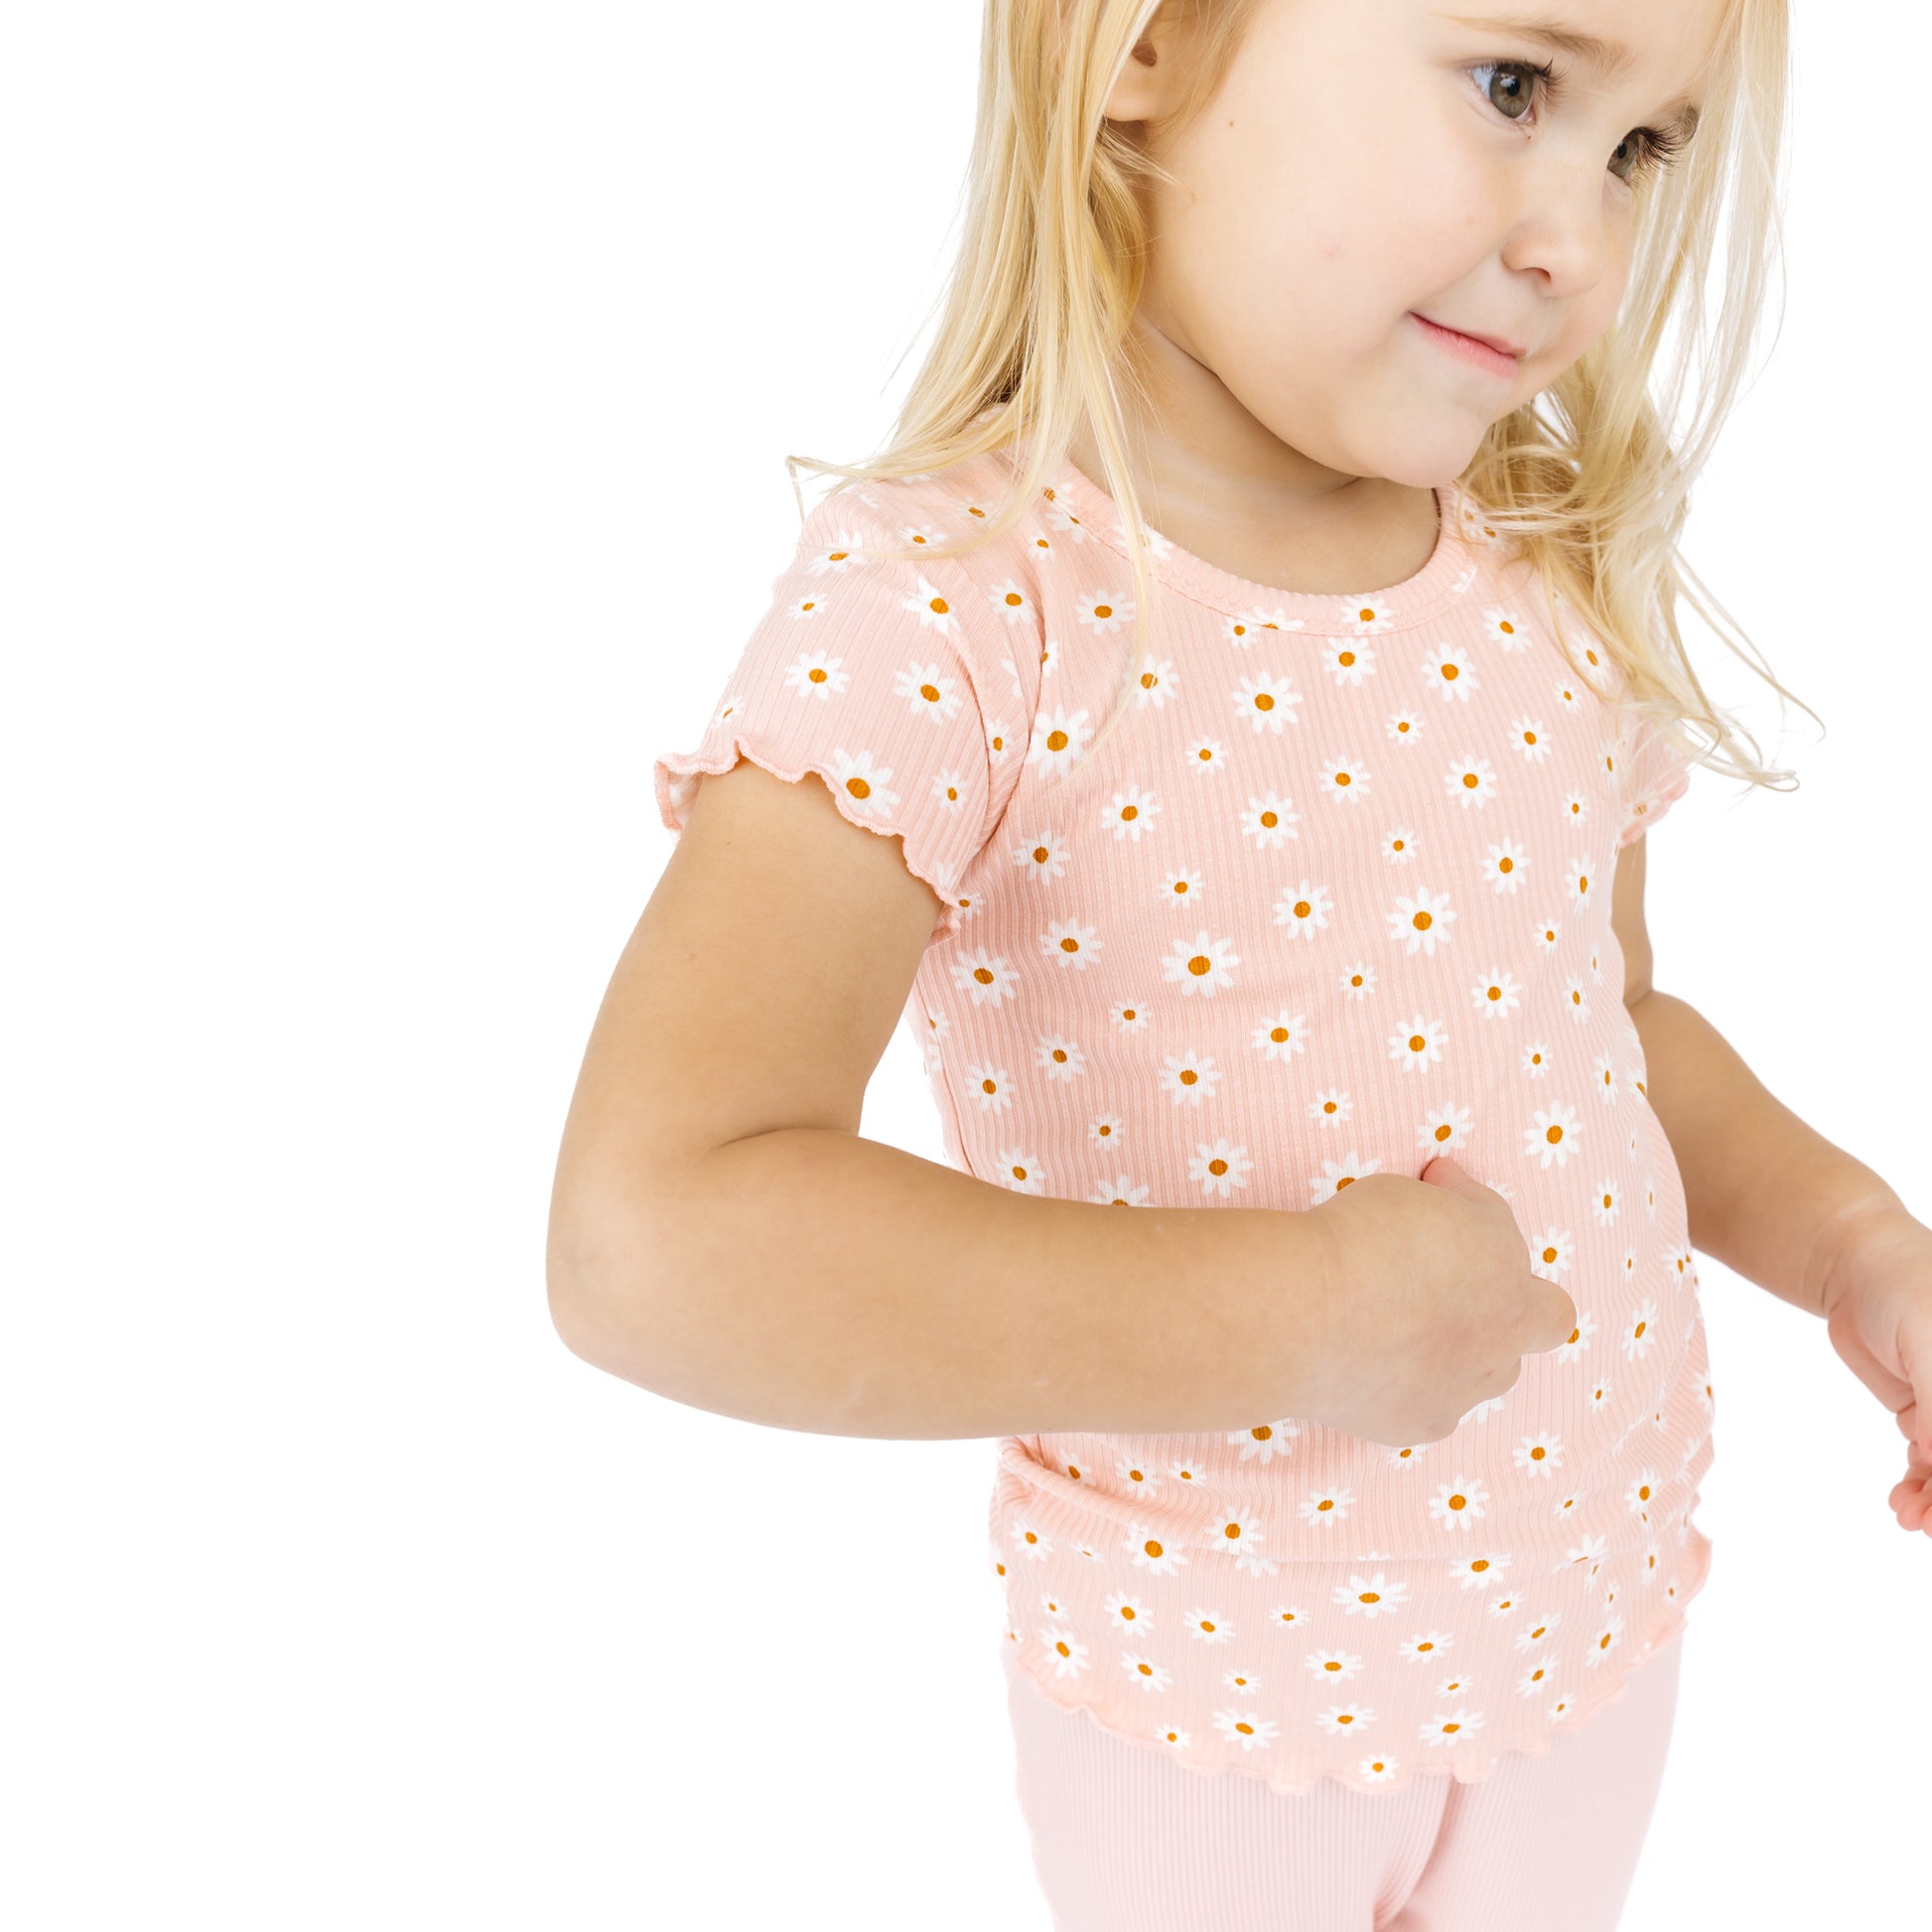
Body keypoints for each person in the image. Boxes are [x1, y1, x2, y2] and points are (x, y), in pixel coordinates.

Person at [546, 3, 1932, 1926]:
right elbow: (654, 1235)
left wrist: (1857, 1240)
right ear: (1145, 39)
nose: (1583, 245)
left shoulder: (1543, 551)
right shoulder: (955, 606)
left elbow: (1603, 1033)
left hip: (1592, 1619)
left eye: (1642, 150)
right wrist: (1297, 1315)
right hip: (1211, 1692)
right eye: (1516, 86)